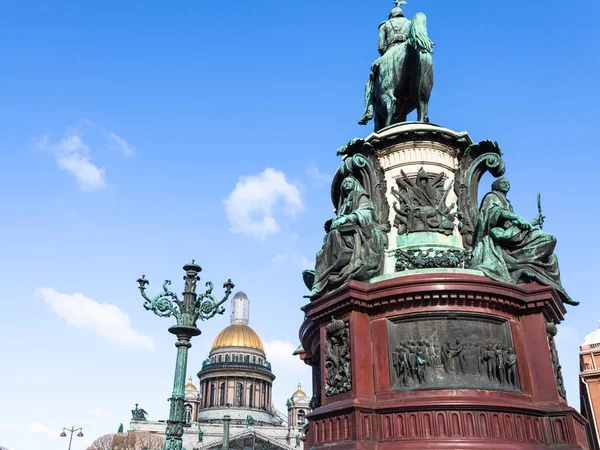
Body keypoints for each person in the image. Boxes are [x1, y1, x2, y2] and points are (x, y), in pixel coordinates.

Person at [472, 177, 573, 304]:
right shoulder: (491, 196)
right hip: (502, 238)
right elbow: (493, 212)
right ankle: (519, 265)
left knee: (552, 257)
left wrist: (533, 223)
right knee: (549, 239)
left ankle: (559, 290)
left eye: (508, 182)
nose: (507, 184)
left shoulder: (507, 202)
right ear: (496, 186)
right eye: (503, 182)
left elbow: (514, 224)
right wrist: (518, 217)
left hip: (512, 237)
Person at [309, 176, 385, 297]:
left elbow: (365, 213)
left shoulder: (361, 196)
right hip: (347, 230)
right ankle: (321, 279)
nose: (347, 183)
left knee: (334, 234)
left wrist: (347, 217)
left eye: (350, 181)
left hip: (360, 230)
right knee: (327, 242)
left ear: (355, 184)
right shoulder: (344, 202)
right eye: (344, 182)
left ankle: (329, 272)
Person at [358, 2, 411, 125]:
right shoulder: (410, 23)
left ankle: (369, 111)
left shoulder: (385, 25)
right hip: (409, 50)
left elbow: (381, 46)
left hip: (390, 50)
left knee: (371, 79)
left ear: (391, 16)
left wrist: (386, 54)